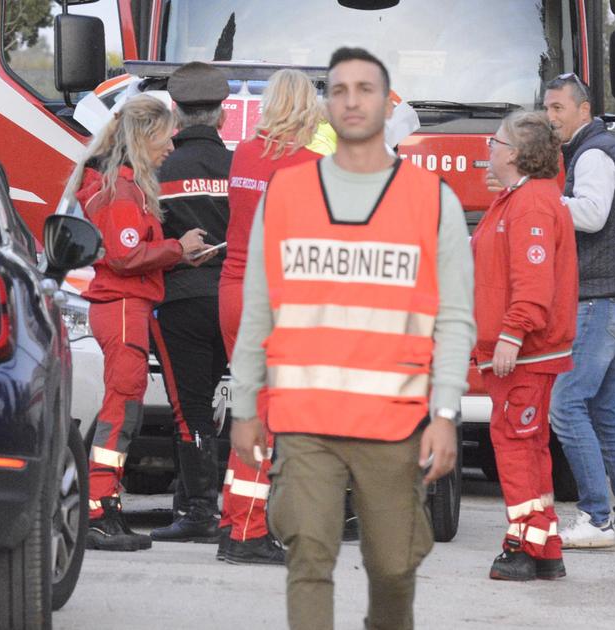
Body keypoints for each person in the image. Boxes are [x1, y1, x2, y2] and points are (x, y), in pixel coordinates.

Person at [229, 47, 475, 630]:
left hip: (392, 425)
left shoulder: (430, 199)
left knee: (393, 567)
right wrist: (244, 404)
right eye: (339, 90)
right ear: (325, 108)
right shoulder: (286, 195)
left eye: (366, 89)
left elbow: (457, 318)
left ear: (386, 105)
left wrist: (444, 413)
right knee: (308, 555)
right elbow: (258, 309)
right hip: (305, 423)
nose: (352, 101)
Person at [61, 94, 209, 551]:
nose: (170, 148)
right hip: (125, 305)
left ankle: (104, 507)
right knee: (121, 409)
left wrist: (175, 254)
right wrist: (176, 250)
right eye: (165, 139)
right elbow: (125, 256)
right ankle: (99, 508)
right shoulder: (122, 192)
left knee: (124, 409)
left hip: (128, 305)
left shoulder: (123, 187)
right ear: (144, 137)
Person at [216, 68, 331, 565]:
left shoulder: (242, 152)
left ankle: (237, 521)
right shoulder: (310, 166)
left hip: (232, 290)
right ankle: (244, 531)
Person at [542, 72, 615, 551]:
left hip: (601, 300)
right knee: (605, 412)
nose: (550, 118)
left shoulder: (592, 153)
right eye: (546, 109)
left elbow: (590, 214)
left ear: (583, 111)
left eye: (558, 109)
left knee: (565, 406)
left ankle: (595, 518)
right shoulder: (603, 149)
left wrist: (544, 204)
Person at [473, 111, 577, 581]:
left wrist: (512, 334)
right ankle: (544, 546)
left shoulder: (531, 205)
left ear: (514, 153)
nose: (487, 149)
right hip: (522, 352)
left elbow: (532, 286)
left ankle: (520, 547)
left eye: (494, 142)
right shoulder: (519, 199)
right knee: (529, 450)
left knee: (516, 451)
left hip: (525, 353)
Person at [149, 61, 230, 544]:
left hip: (178, 300)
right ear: (221, 115)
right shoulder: (240, 167)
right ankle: (206, 497)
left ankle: (199, 507)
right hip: (234, 300)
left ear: (175, 114)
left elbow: (143, 236)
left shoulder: (158, 169)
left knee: (191, 406)